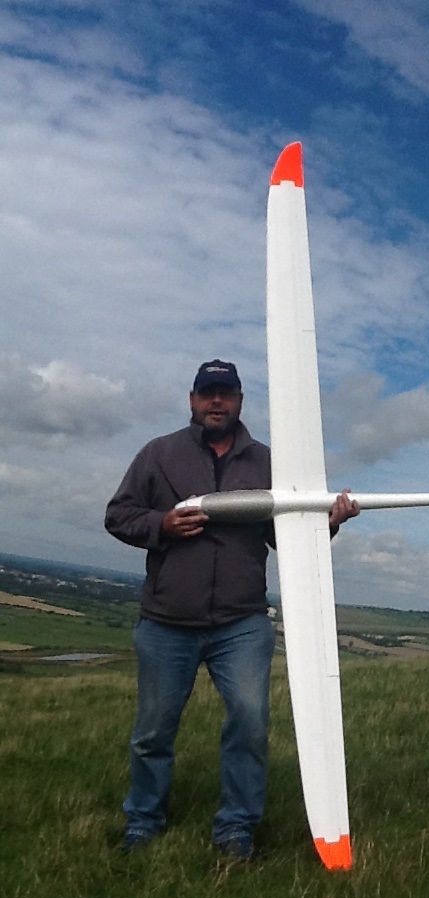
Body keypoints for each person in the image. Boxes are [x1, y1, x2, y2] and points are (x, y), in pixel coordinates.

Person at [105, 359, 359, 860]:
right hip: (166, 622)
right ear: (192, 399)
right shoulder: (158, 455)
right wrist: (162, 525)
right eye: (207, 393)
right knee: (153, 730)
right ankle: (142, 822)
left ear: (241, 400)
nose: (215, 401)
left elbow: (280, 535)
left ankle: (236, 830)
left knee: (249, 724)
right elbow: (118, 515)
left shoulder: (269, 463)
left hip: (241, 623)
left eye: (225, 393)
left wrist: (328, 523)